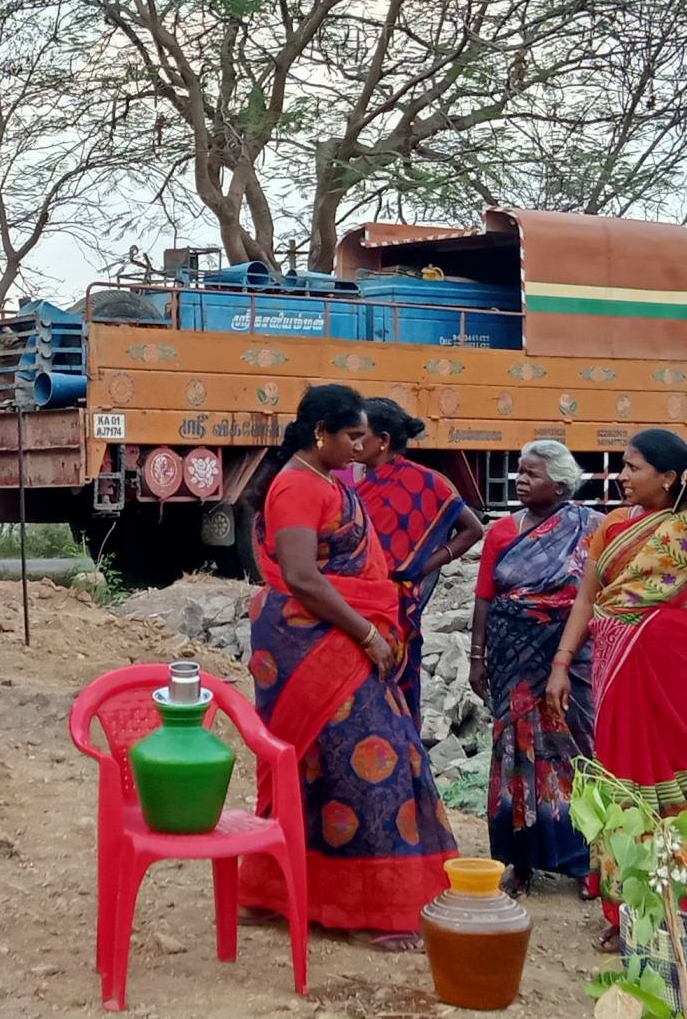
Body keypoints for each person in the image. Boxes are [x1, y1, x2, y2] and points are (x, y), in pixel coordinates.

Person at [236, 384, 456, 950]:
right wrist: (365, 632)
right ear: (321, 434)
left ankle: (287, 894)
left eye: (364, 436)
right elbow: (302, 576)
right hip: (311, 643)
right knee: (367, 763)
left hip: (330, 638)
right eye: (352, 436)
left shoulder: (326, 481)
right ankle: (366, 912)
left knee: (330, 765)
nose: (362, 446)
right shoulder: (295, 487)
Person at [557, 427, 687, 937]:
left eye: (633, 467)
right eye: (622, 465)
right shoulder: (612, 528)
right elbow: (585, 600)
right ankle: (632, 915)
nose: (621, 476)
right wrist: (561, 664)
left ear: (667, 477)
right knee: (626, 790)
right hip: (620, 675)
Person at [470, 439, 603, 894]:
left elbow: (598, 595)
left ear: (561, 485)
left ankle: (588, 862)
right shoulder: (503, 532)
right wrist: (477, 656)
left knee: (577, 749)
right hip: (512, 662)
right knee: (515, 754)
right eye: (520, 473)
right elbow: (485, 597)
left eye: (531, 474)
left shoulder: (592, 529)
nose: (519, 481)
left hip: (572, 658)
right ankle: (520, 861)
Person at [343, 397, 484, 714]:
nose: (351, 443)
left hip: (398, 605)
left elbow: (472, 529)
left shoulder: (424, 481)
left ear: (383, 441)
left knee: (395, 684)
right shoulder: (352, 481)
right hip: (353, 602)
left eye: (358, 435)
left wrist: (424, 565)